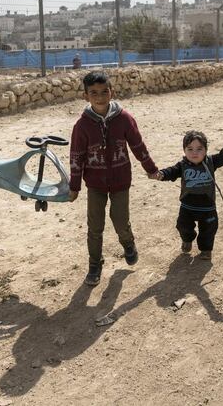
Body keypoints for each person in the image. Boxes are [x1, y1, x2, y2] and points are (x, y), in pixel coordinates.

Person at [69, 71, 159, 286]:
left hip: (120, 181)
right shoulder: (81, 126)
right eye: (94, 93)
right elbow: (76, 157)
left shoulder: (124, 119)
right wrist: (74, 187)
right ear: (86, 96)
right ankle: (94, 264)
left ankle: (128, 244)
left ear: (112, 92)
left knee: (120, 221)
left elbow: (138, 146)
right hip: (95, 184)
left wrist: (151, 168)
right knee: (95, 226)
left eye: (104, 92)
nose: (99, 97)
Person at [150, 131, 223, 260]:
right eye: (190, 149)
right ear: (184, 150)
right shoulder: (183, 165)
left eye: (199, 149)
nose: (194, 153)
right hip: (187, 207)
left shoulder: (212, 162)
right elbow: (171, 172)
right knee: (183, 226)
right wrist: (161, 174)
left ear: (206, 150)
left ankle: (206, 250)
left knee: (208, 230)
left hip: (207, 208)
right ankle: (187, 240)